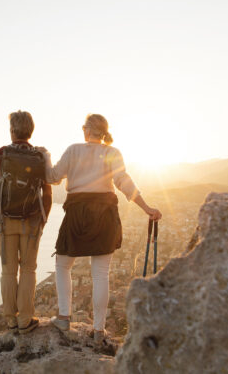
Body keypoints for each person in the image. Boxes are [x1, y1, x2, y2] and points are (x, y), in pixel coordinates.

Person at [38, 113, 162, 345]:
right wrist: (146, 208)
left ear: (86, 130)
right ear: (103, 132)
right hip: (105, 213)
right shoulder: (112, 153)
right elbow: (124, 182)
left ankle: (64, 316)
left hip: (77, 212)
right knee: (100, 273)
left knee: (63, 265)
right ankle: (98, 330)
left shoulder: (74, 150)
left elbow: (52, 177)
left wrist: (46, 156)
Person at [0, 110, 52, 334]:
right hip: (32, 223)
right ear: (30, 130)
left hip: (4, 222)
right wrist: (43, 221)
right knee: (28, 270)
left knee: (8, 271)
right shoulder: (39, 157)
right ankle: (25, 320)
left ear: (12, 130)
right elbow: (48, 194)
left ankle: (10, 320)